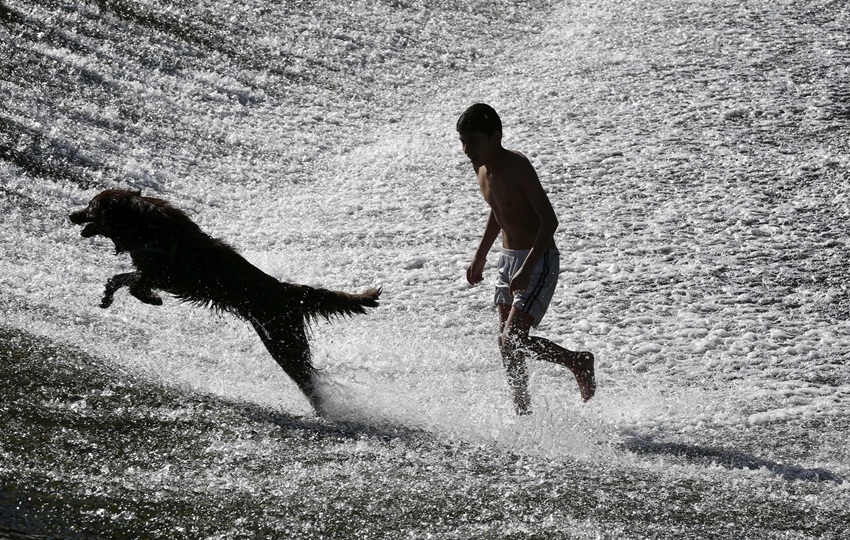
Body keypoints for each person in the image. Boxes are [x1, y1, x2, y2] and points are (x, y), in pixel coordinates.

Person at [457, 103, 596, 415]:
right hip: (508, 260)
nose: (467, 150)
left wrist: (529, 265)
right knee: (506, 344)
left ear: (496, 137)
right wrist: (480, 257)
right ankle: (523, 412)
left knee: (512, 339)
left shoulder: (517, 165)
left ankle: (577, 361)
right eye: (463, 142)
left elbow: (550, 220)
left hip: (538, 257)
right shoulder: (480, 167)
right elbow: (499, 209)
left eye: (474, 142)